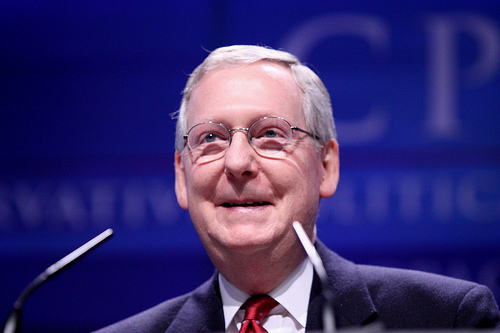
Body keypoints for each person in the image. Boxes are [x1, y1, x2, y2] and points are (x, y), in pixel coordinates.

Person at [95, 45, 499, 332]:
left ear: (326, 166)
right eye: (212, 138)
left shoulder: (446, 317)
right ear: (182, 177)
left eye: (270, 134)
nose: (237, 163)